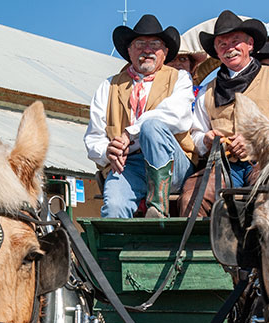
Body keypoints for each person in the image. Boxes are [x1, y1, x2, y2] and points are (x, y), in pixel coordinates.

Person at [179, 10, 269, 217]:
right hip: (224, 166)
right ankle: (200, 238)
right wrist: (206, 140)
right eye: (222, 44)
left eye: (235, 41)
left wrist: (256, 139)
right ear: (217, 52)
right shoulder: (206, 92)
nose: (229, 48)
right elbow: (196, 134)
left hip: (268, 161)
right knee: (193, 197)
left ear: (250, 44)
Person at [84, 14, 196, 218]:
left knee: (152, 126)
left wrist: (129, 134)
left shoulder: (179, 78)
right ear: (129, 51)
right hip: (129, 164)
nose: (147, 50)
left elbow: (177, 116)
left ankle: (157, 208)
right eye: (140, 44)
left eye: (155, 44)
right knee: (114, 207)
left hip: (173, 163)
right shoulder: (109, 86)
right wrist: (108, 151)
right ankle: (116, 238)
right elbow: (93, 137)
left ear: (165, 52)